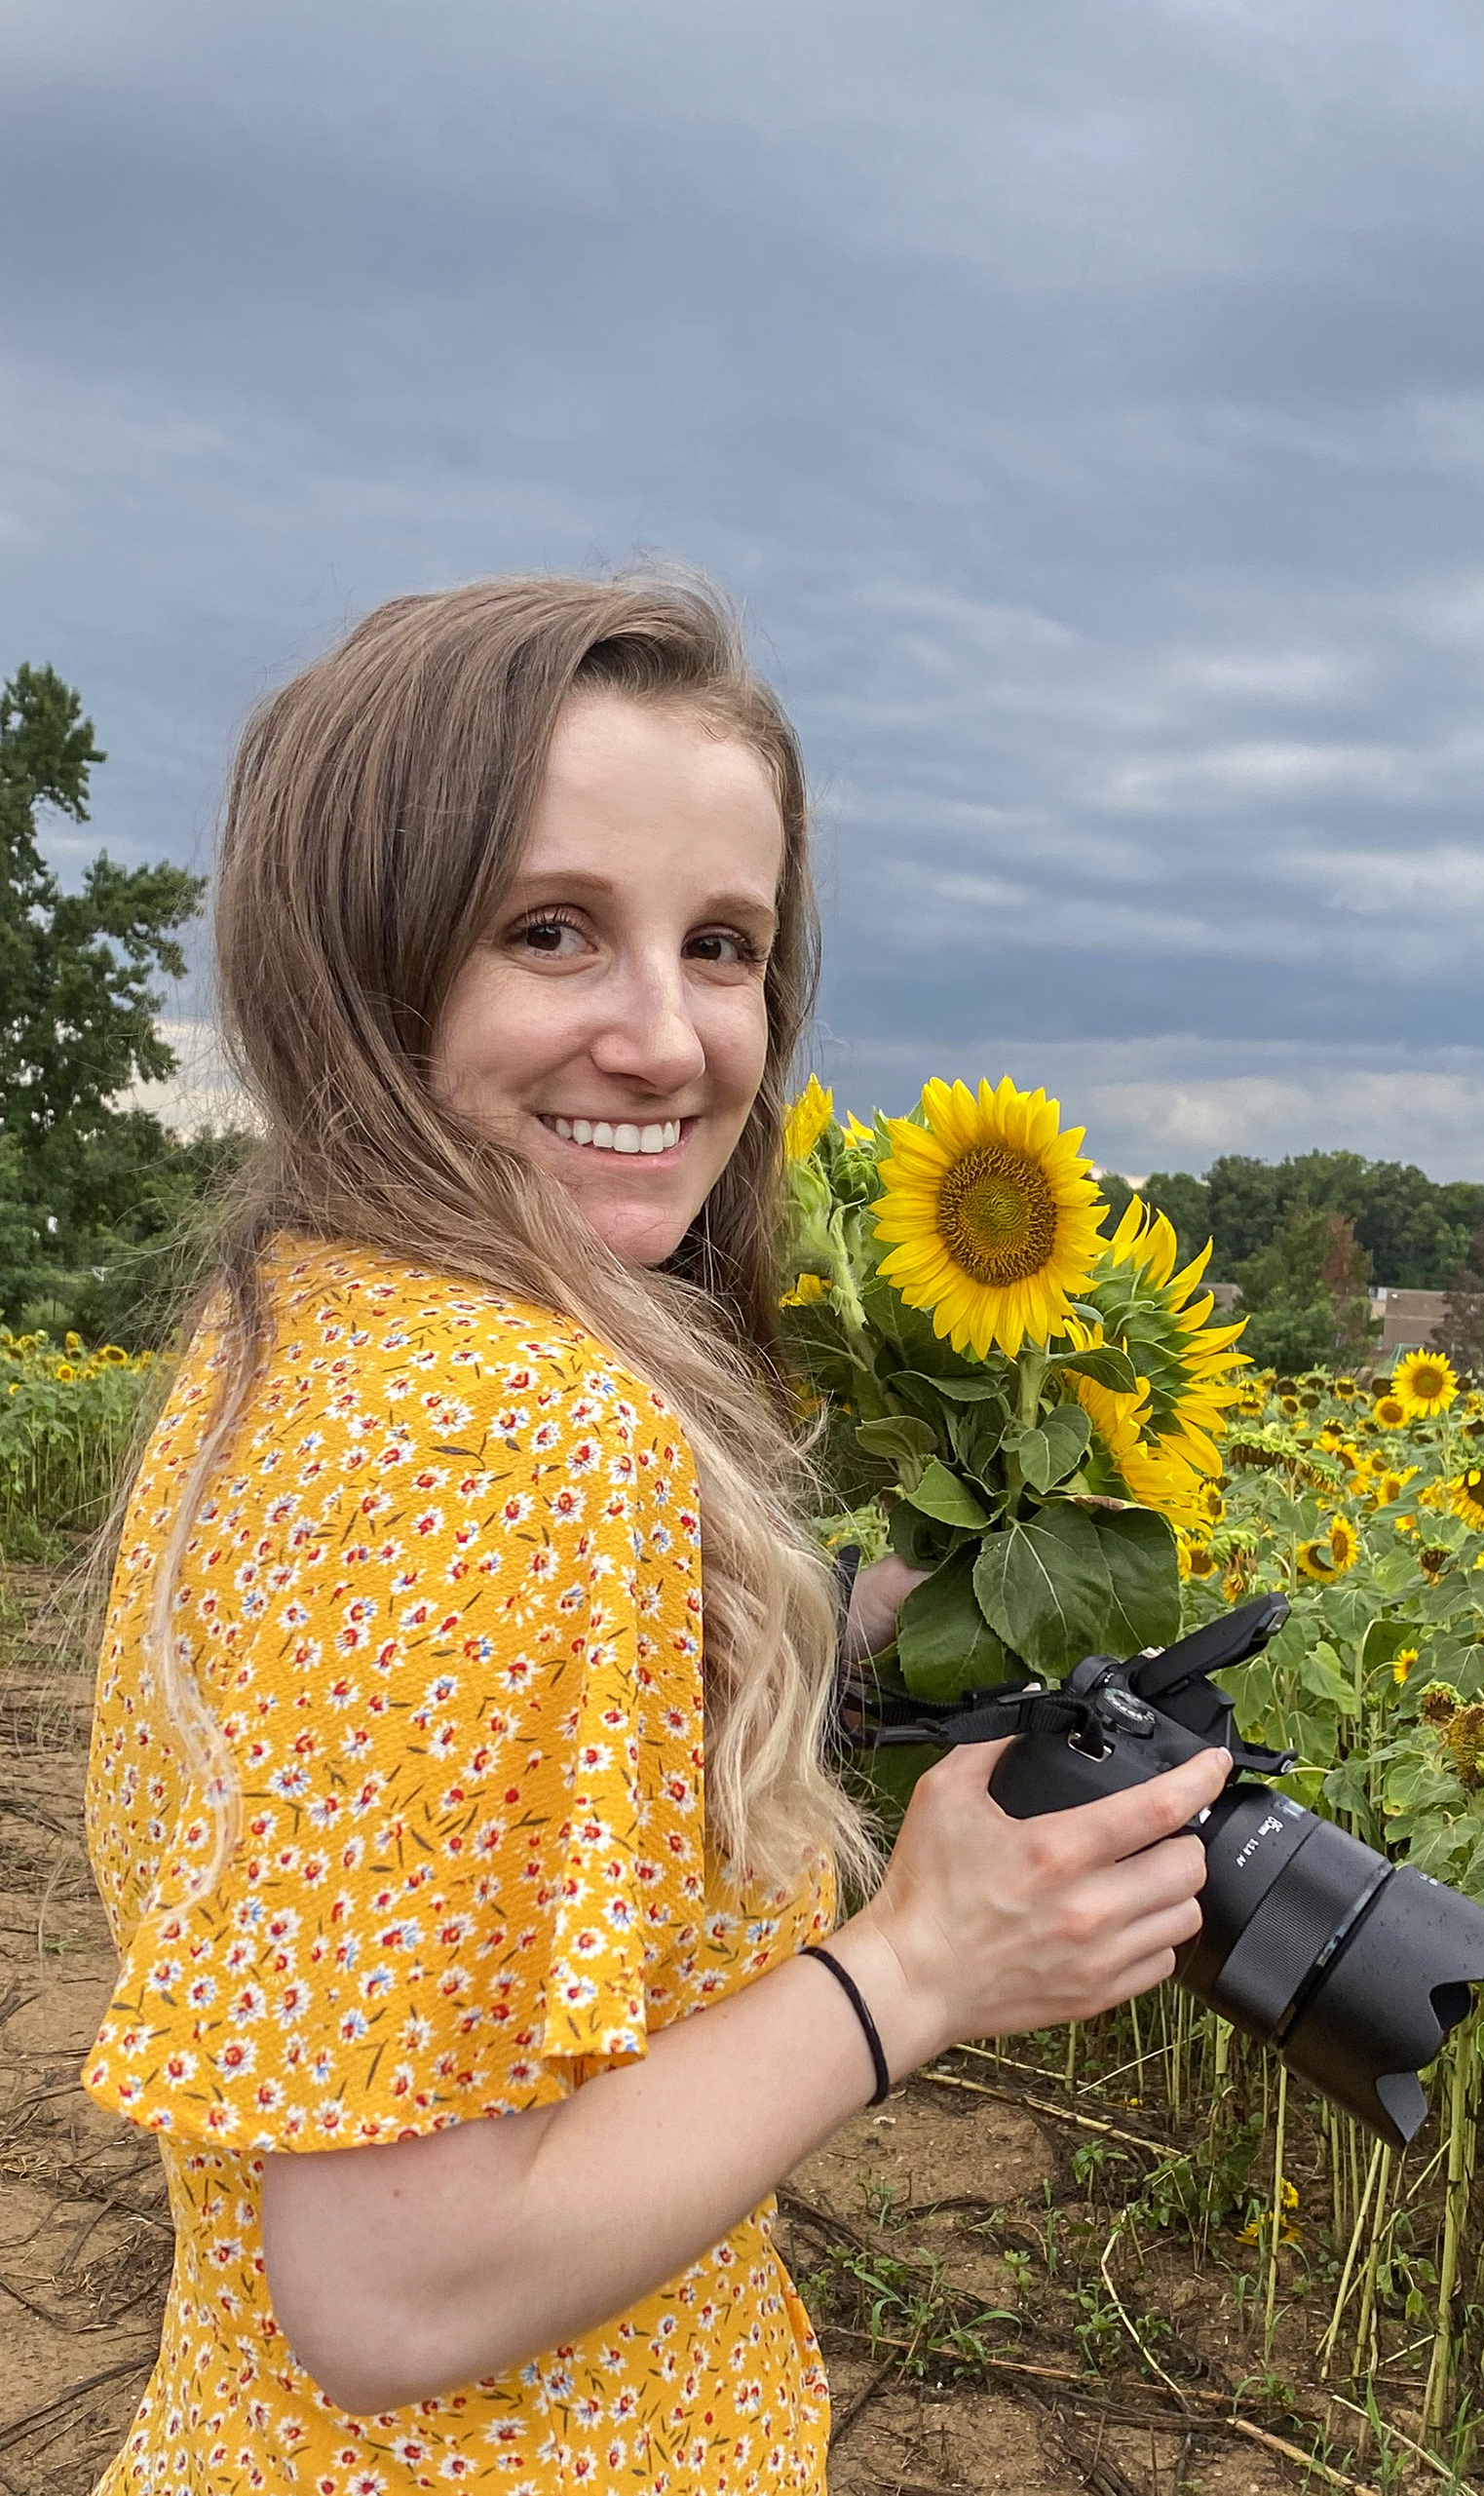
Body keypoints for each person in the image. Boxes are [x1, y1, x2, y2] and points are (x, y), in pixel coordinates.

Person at [80, 574, 1231, 2494]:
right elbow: (390, 2288)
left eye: (723, 947)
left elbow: (423, 1837)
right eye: (552, 932)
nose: (671, 1039)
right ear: (365, 962)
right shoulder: (514, 1429)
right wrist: (922, 1966)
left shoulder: (313, 1322)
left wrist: (834, 1629)